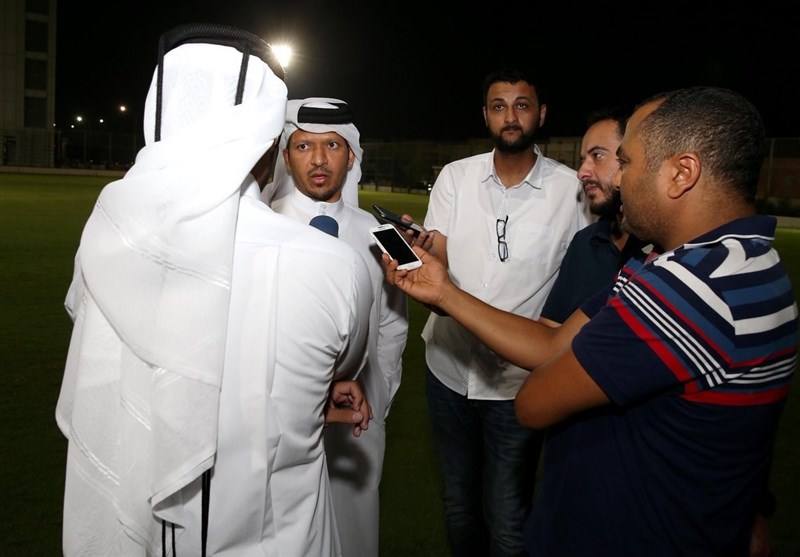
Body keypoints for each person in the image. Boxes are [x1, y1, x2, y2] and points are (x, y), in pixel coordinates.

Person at [382, 86, 798, 556]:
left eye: (627, 162)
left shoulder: (688, 291)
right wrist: (445, 292)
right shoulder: (731, 262)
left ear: (682, 173)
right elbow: (553, 342)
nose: (618, 179)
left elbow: (533, 402)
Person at [55, 24, 373, 556]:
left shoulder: (107, 243)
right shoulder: (335, 264)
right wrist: (299, 408)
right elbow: (341, 364)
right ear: (268, 142)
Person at [417, 67, 590, 557]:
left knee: (510, 519)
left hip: (518, 384)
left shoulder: (572, 191)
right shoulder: (455, 177)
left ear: (541, 114)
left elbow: (585, 282)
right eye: (499, 106)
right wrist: (419, 262)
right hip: (447, 370)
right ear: (486, 115)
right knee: (459, 507)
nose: (510, 116)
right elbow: (438, 263)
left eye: (522, 105)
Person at [264, 97, 409, 557]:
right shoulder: (259, 225)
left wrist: (381, 395)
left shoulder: (386, 236)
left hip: (358, 417)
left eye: (332, 145)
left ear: (351, 157)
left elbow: (394, 324)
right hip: (275, 417)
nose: (319, 159)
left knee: (354, 530)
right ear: (286, 157)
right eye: (304, 146)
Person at [539, 105, 649, 326]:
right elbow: (550, 331)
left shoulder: (665, 247)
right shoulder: (585, 242)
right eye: (583, 159)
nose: (582, 172)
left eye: (597, 156)